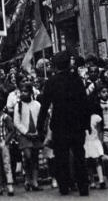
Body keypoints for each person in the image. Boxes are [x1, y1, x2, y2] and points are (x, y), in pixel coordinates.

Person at [37, 51, 90, 196]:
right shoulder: (76, 80)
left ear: (55, 66)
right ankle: (83, 187)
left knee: (61, 157)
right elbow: (84, 103)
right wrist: (87, 123)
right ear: (68, 64)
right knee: (79, 155)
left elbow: (44, 106)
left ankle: (64, 186)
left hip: (59, 125)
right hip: (77, 124)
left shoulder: (51, 82)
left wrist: (39, 125)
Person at [14, 82, 43, 192]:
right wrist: (26, 132)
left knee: (35, 157)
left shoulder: (37, 105)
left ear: (30, 92)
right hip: (24, 135)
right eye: (21, 91)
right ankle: (27, 179)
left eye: (25, 91)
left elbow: (40, 120)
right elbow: (17, 122)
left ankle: (35, 181)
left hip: (35, 134)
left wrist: (38, 131)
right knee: (28, 156)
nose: (23, 93)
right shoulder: (18, 106)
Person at [84, 114, 107, 189]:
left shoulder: (96, 117)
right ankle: (92, 182)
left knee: (97, 160)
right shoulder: (81, 116)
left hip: (95, 140)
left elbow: (100, 130)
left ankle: (101, 180)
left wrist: (100, 141)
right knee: (88, 161)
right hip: (86, 141)